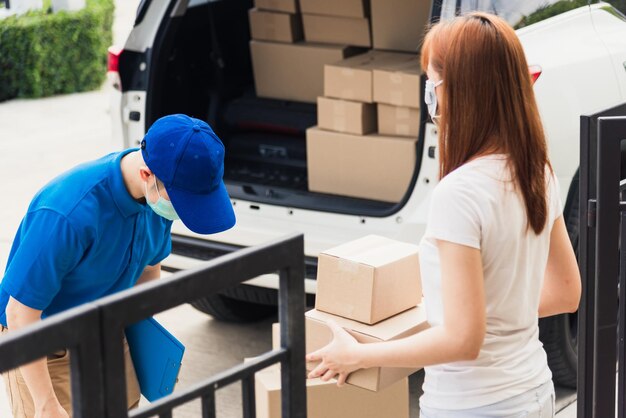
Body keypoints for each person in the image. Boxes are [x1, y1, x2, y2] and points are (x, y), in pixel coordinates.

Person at [307, 12, 581, 418]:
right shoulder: (537, 170)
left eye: (432, 81)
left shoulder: (460, 193)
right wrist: (478, 309)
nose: (429, 94)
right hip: (532, 391)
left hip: (474, 405)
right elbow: (566, 291)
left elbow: (462, 340)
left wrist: (361, 354)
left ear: (460, 90)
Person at [0, 114, 236, 418]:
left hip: (109, 326)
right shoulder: (67, 213)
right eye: (181, 200)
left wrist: (144, 338)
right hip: (45, 341)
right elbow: (20, 314)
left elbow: (150, 270)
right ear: (146, 174)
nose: (181, 211)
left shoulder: (158, 200)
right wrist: (45, 403)